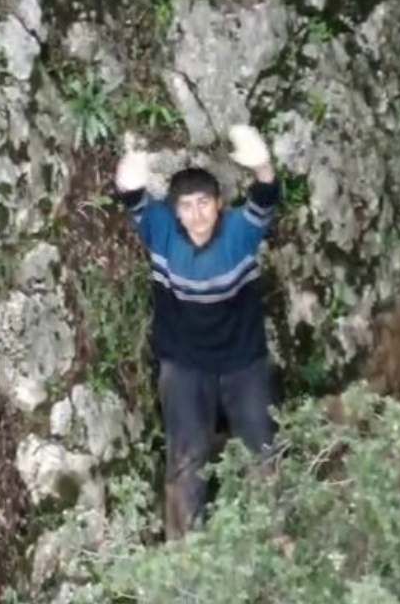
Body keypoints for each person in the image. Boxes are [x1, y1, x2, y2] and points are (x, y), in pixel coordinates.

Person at [113, 125, 281, 540]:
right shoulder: (161, 231)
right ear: (175, 212)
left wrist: (261, 163)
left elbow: (265, 196)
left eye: (204, 203)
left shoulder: (239, 232)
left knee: (262, 449)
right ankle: (186, 553)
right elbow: (130, 193)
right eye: (186, 207)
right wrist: (135, 156)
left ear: (219, 204)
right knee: (186, 460)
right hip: (185, 362)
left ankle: (274, 539)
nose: (197, 215)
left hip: (243, 360)